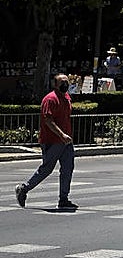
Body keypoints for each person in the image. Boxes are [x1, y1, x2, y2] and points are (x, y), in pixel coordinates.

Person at [15, 74, 77, 210]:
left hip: (66, 141)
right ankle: (24, 188)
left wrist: (66, 136)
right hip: (53, 140)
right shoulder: (50, 99)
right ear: (55, 84)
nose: (65, 85)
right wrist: (61, 134)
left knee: (68, 169)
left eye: (66, 82)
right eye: (62, 82)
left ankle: (63, 199)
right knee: (47, 169)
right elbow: (48, 120)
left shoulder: (66, 97)